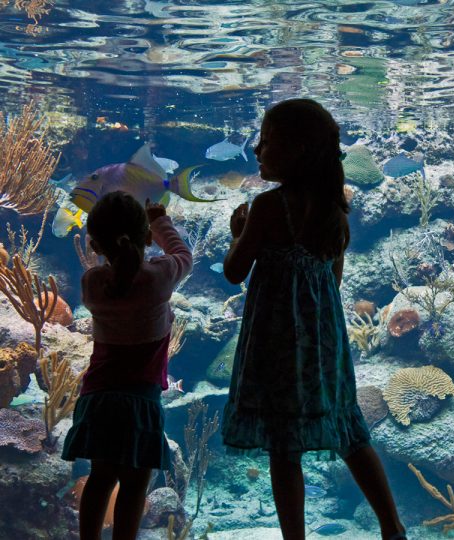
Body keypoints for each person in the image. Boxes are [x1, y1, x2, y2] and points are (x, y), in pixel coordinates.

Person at [221, 98, 407, 540]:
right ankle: (392, 527)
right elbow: (333, 281)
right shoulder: (332, 210)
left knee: (284, 448)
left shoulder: (267, 207)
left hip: (275, 344)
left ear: (296, 150)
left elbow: (232, 272)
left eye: (266, 142)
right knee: (348, 430)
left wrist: (238, 233)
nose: (257, 150)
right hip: (324, 344)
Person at [61, 191, 192, 540]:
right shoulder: (158, 278)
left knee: (101, 476)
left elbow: (118, 272)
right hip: (140, 399)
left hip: (99, 397)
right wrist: (160, 220)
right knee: (136, 482)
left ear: (94, 245)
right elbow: (183, 255)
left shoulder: (93, 284)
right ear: (147, 237)